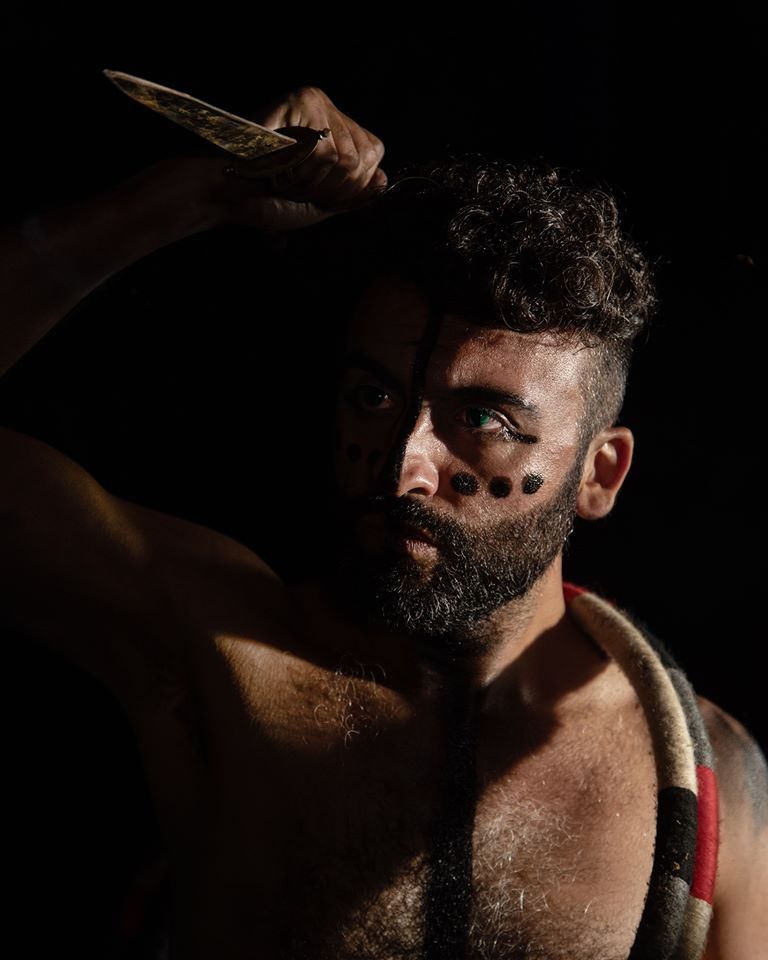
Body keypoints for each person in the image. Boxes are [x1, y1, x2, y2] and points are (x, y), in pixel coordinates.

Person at [1, 84, 765, 960]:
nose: (405, 467)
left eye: (483, 420)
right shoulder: (219, 659)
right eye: (374, 398)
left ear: (600, 474)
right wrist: (182, 200)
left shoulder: (709, 782)